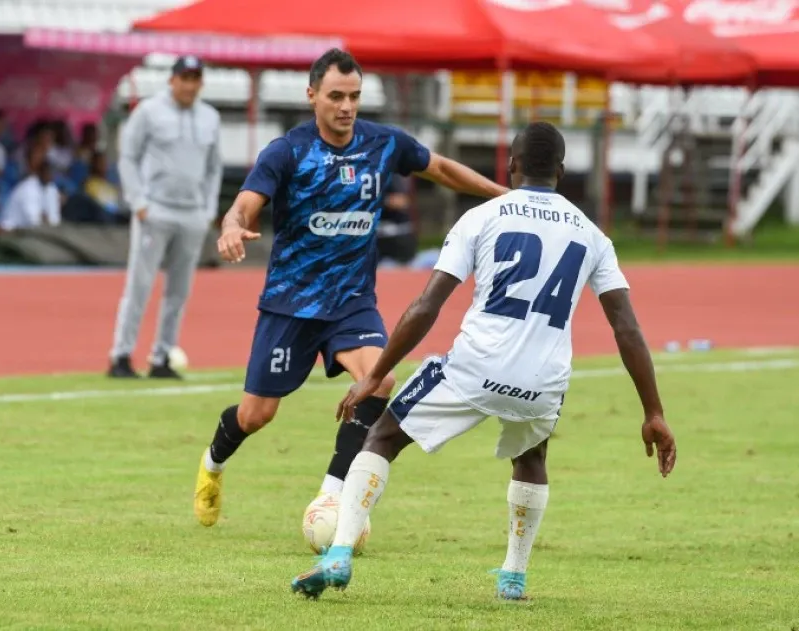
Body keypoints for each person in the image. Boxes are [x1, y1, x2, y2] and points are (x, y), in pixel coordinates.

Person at [289, 121, 678, 602]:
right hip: (543, 380)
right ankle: (514, 578)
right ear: (560, 171)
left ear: (511, 166)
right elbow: (626, 328)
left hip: (475, 366)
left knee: (383, 436)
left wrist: (375, 375)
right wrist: (653, 411)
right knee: (531, 456)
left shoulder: (483, 217)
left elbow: (426, 307)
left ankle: (339, 555)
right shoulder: (592, 235)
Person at [192, 48, 507, 530]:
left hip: (351, 302)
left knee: (380, 381)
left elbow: (441, 168)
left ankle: (332, 496)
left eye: (354, 97)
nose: (346, 106)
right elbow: (246, 203)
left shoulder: (383, 143)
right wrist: (233, 225)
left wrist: (505, 196)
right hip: (292, 304)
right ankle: (213, 462)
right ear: (312, 95)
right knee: (256, 415)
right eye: (336, 96)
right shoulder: (287, 151)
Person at [107, 54, 222, 379]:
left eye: (195, 79)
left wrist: (208, 210)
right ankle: (121, 355)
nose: (189, 85)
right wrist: (138, 201)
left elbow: (214, 168)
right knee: (139, 284)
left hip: (192, 214)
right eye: (184, 78)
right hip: (155, 209)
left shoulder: (210, 117)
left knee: (179, 291)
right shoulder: (149, 111)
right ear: (172, 80)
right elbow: (128, 157)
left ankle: (162, 357)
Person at [1, 159, 61, 230]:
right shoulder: (28, 187)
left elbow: (55, 219)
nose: (50, 175)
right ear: (39, 172)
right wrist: (44, 219)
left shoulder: (52, 189)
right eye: (48, 172)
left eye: (53, 172)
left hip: (28, 230)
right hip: (10, 228)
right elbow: (32, 220)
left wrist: (47, 220)